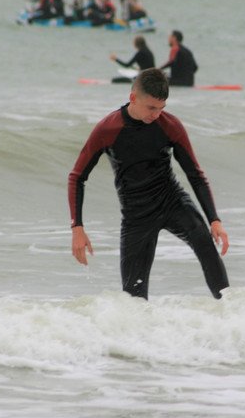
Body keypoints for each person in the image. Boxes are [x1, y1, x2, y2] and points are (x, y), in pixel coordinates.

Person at [68, 68, 230, 300]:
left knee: (205, 244)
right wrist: (77, 228)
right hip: (137, 216)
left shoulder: (170, 125)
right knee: (134, 297)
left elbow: (195, 174)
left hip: (172, 202)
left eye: (161, 108)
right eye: (151, 108)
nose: (156, 114)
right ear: (133, 97)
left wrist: (215, 220)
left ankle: (230, 308)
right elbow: (77, 177)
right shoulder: (108, 129)